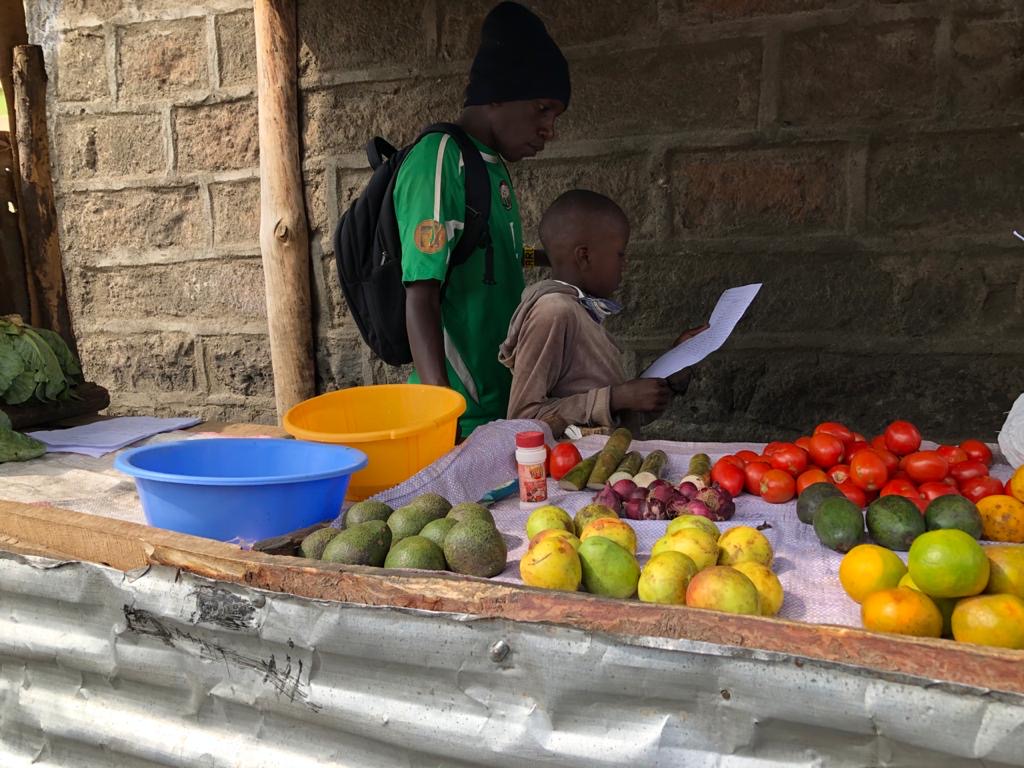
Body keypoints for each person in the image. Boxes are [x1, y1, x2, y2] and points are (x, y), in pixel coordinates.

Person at [395, 1, 570, 437]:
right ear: (499, 93)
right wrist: (440, 416)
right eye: (542, 109)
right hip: (458, 421)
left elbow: (499, 256)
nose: (550, 129)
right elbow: (420, 290)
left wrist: (549, 257)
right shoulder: (440, 160)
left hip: (501, 409)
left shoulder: (491, 168)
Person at [498, 190, 700, 438]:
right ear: (585, 257)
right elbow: (523, 420)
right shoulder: (553, 312)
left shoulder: (580, 308)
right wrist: (616, 397)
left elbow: (611, 412)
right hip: (572, 472)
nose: (624, 264)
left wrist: (670, 375)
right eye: (620, 254)